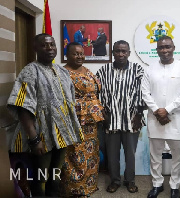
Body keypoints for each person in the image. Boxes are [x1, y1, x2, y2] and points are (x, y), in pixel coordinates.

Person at [7, 33, 84, 197]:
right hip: (41, 136)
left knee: (55, 176)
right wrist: (34, 139)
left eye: (52, 45)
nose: (49, 48)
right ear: (35, 48)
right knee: (41, 178)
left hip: (61, 136)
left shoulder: (61, 71)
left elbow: (68, 102)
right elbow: (22, 107)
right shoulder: (30, 71)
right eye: (44, 45)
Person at [142, 36, 180, 198]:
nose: (164, 50)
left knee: (177, 156)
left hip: (176, 120)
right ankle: (157, 184)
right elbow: (145, 93)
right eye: (161, 47)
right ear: (157, 50)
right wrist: (158, 111)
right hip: (155, 119)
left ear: (173, 47)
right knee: (155, 155)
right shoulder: (150, 69)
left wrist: (167, 110)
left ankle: (175, 186)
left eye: (168, 47)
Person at [97, 40, 145, 193]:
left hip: (132, 120)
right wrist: (103, 115)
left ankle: (130, 181)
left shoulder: (138, 69)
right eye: (117, 51)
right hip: (110, 120)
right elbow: (95, 93)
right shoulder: (103, 71)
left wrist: (139, 114)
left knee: (130, 154)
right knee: (112, 154)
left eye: (124, 51)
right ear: (112, 52)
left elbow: (143, 93)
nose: (120, 54)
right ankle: (115, 180)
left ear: (129, 53)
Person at [60, 42, 104, 197]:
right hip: (74, 120)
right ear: (67, 55)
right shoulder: (62, 72)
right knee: (75, 155)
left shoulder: (86, 70)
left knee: (91, 154)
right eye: (75, 53)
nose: (79, 56)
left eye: (81, 53)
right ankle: (75, 189)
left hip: (91, 122)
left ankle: (89, 186)